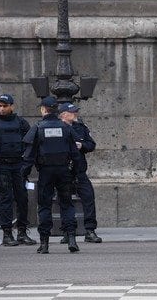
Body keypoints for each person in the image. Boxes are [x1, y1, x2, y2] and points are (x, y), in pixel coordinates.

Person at [20, 96, 81, 254]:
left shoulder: (38, 127)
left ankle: (44, 243)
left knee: (45, 206)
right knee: (66, 204)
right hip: (63, 171)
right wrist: (76, 173)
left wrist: (23, 174)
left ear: (43, 109)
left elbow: (29, 155)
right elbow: (75, 153)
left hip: (46, 172)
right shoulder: (66, 127)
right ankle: (72, 238)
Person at [0, 94, 36, 246]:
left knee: (22, 198)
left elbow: (31, 144)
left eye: (4, 106)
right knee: (5, 199)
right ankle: (7, 234)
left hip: (18, 165)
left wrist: (27, 164)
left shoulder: (21, 122)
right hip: (0, 166)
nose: (1, 109)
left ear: (11, 106)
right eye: (0, 106)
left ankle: (22, 232)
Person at [58, 102, 102, 243]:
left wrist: (82, 145)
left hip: (80, 172)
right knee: (65, 202)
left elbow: (91, 145)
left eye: (75, 111)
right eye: (72, 112)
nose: (75, 114)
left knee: (89, 199)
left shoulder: (81, 127)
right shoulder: (57, 128)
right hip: (64, 172)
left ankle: (90, 231)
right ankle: (67, 232)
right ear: (63, 114)